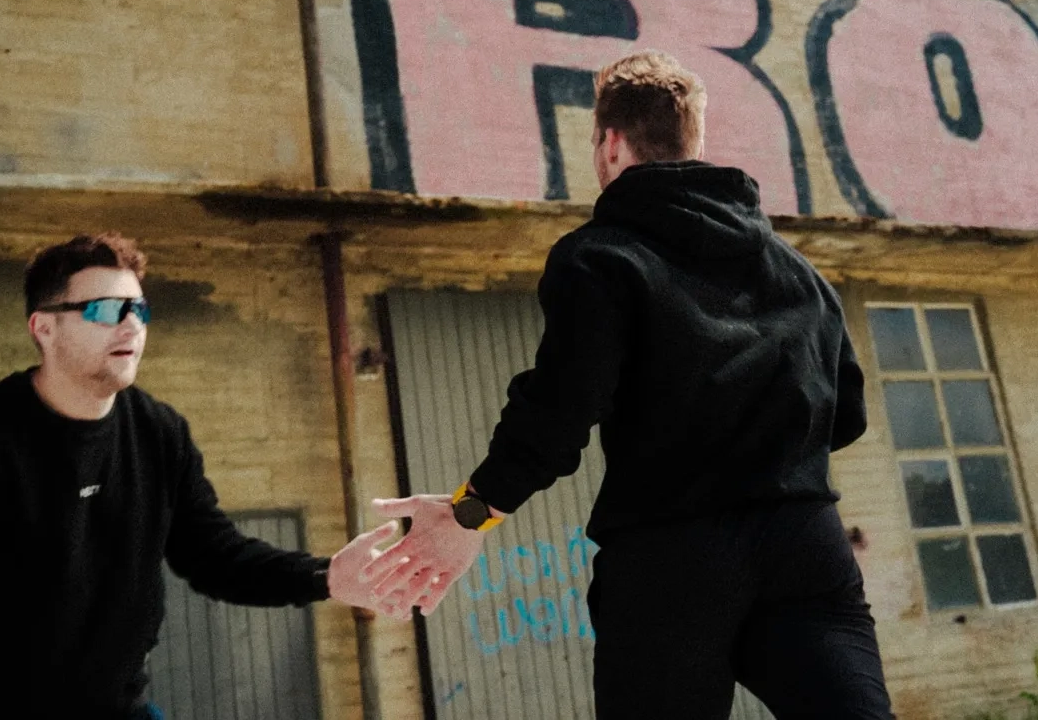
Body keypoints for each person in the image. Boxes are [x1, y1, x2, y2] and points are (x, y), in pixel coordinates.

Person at [361, 52, 895, 719]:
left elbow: (558, 416)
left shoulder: (600, 257)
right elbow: (845, 416)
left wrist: (474, 510)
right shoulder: (799, 273)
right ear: (692, 141)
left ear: (611, 144)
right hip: (804, 546)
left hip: (671, 559)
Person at [0, 234, 399, 720]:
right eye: (103, 310)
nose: (130, 326)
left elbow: (213, 556)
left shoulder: (159, 433)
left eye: (139, 310)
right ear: (44, 329)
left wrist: (326, 576)